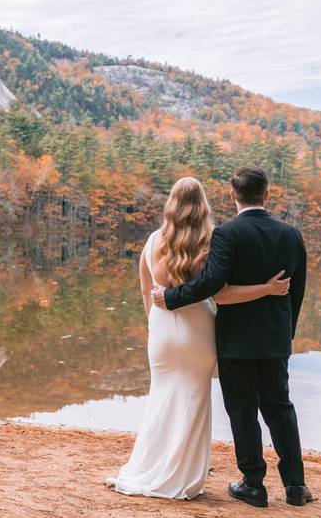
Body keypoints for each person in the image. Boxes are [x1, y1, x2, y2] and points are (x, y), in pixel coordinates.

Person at [107, 176, 290, 499]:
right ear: (203, 204)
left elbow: (146, 290)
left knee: (161, 397)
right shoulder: (211, 241)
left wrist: (155, 324)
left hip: (162, 329)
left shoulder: (152, 241)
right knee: (193, 399)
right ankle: (184, 475)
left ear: (171, 204)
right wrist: (266, 289)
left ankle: (147, 466)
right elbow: (218, 292)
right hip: (198, 331)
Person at [151, 167, 312, 508]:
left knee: (242, 410)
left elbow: (212, 285)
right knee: (280, 408)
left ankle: (253, 484)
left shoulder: (227, 233)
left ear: (232, 195)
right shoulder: (291, 234)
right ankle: (296, 486)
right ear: (266, 194)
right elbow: (297, 292)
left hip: (236, 340)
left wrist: (171, 298)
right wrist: (286, 335)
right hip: (274, 341)